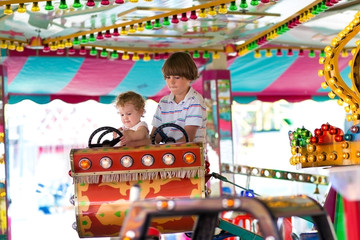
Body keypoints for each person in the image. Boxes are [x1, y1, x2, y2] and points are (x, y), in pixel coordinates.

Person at [151, 52, 207, 143]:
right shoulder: (163, 102)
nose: (171, 82)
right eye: (168, 77)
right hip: (169, 154)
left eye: (176, 77)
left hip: (190, 153)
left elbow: (187, 138)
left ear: (189, 77)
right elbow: (155, 136)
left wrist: (166, 149)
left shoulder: (194, 101)